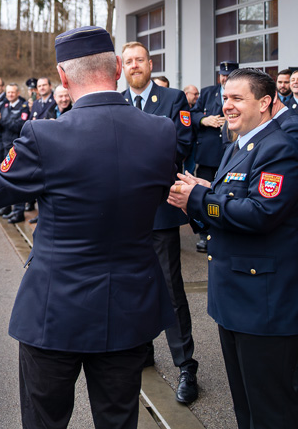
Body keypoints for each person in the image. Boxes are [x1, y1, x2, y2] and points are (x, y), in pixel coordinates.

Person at [0, 26, 176, 429]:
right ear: (116, 71)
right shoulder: (160, 132)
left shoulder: (45, 135)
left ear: (63, 75)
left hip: (56, 312)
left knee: (45, 420)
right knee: (119, 419)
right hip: (129, 308)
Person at [168, 68, 298, 429]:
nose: (227, 105)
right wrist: (204, 191)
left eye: (237, 98)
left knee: (271, 410)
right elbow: (232, 201)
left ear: (266, 102)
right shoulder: (238, 144)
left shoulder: (280, 147)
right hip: (236, 300)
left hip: (264, 305)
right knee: (246, 406)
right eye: (225, 98)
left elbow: (261, 213)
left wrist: (200, 199)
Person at [121, 41, 199, 404]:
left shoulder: (172, 101)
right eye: (128, 61)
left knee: (170, 290)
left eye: (140, 60)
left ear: (151, 65)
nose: (134, 66)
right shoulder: (116, 102)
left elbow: (180, 146)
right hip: (125, 215)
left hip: (161, 211)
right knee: (133, 287)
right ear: (122, 67)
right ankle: (144, 353)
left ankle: (186, 365)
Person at [190, 60, 238, 252]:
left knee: (226, 194)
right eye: (222, 75)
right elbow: (191, 115)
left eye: (229, 75)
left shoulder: (240, 94)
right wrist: (204, 119)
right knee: (202, 194)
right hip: (208, 155)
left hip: (230, 154)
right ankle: (204, 235)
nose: (224, 78)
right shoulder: (208, 92)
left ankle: (224, 232)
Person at [0, 83, 30, 224]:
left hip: (16, 148)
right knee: (6, 179)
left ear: (18, 93)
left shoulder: (22, 107)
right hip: (5, 145)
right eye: (8, 92)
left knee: (17, 181)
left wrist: (1, 120)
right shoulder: (6, 106)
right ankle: (9, 208)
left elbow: (18, 126)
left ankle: (19, 212)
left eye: (12, 92)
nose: (10, 95)